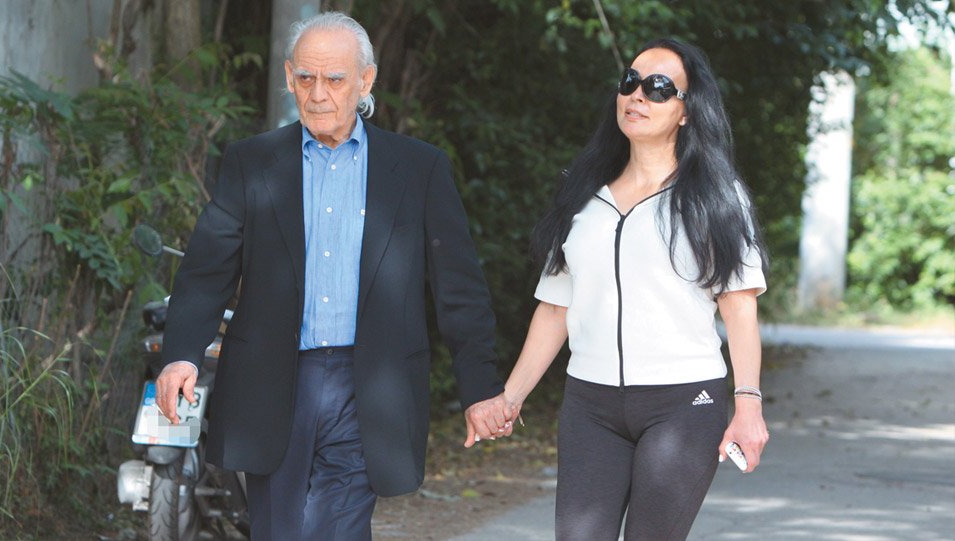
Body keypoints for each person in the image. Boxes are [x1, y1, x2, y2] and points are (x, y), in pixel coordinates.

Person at [154, 12, 513, 541]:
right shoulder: (252, 163)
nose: (318, 93)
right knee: (279, 529)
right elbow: (207, 270)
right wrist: (182, 354)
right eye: (305, 77)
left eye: (335, 79)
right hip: (274, 382)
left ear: (366, 80)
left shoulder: (419, 169)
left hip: (368, 385)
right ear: (288, 76)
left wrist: (480, 387)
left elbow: (459, 288)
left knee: (337, 527)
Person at [501, 38, 770, 540]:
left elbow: (738, 306)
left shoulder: (714, 196)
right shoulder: (584, 195)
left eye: (659, 87)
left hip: (684, 403)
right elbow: (556, 307)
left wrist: (748, 405)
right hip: (589, 405)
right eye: (630, 82)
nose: (638, 95)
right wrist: (510, 398)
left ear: (687, 111)